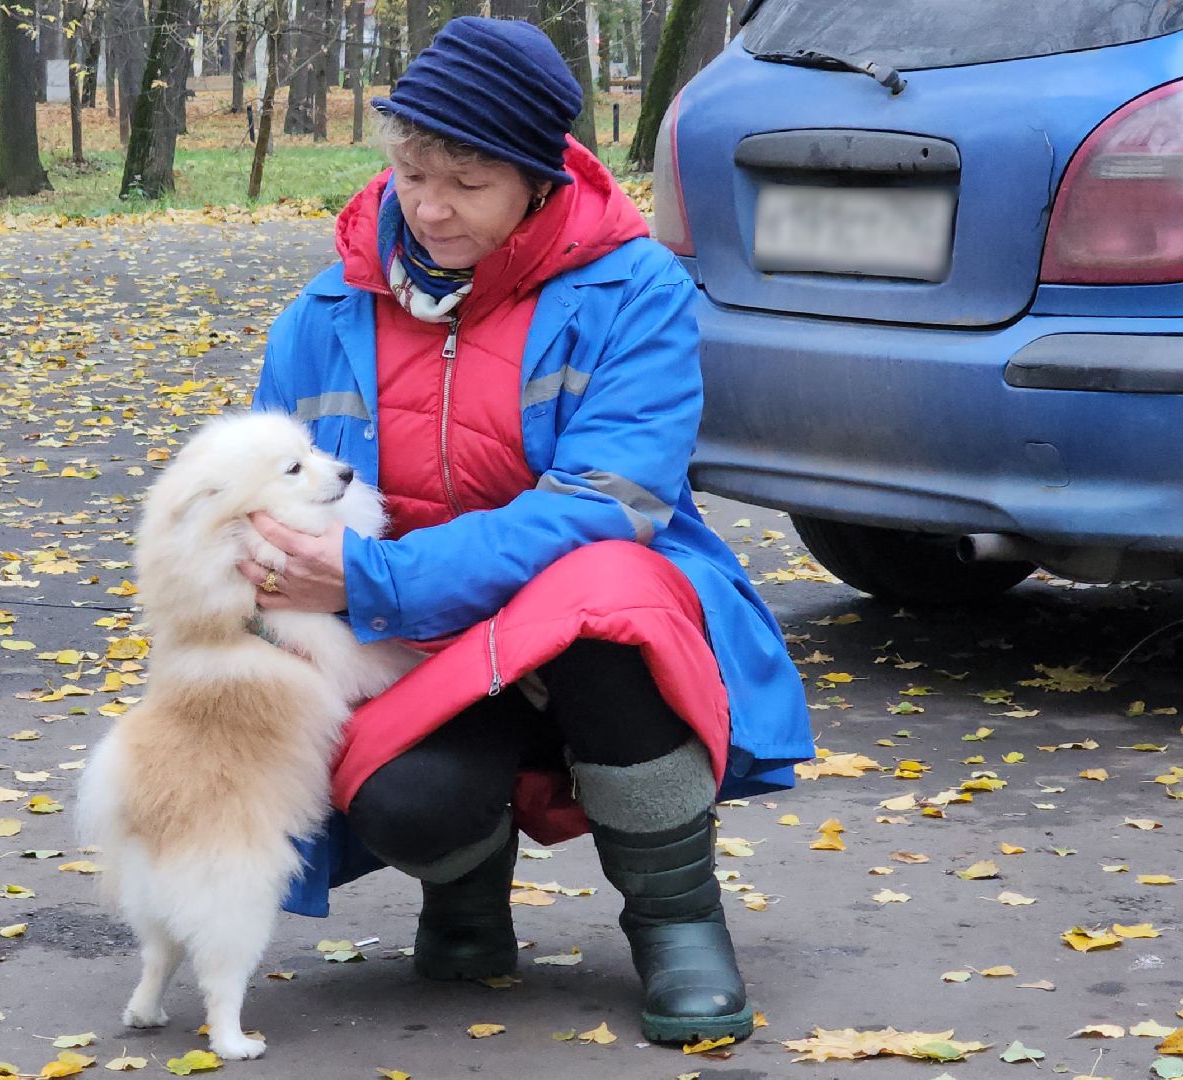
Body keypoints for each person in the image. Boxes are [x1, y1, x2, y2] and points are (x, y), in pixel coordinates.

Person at [242, 16, 813, 1045]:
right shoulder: (323, 315)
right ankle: (462, 897)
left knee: (608, 598)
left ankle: (678, 924)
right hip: (414, 642)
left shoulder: (634, 292)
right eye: (413, 172)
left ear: (539, 179)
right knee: (407, 799)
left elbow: (609, 503)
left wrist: (374, 573)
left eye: (467, 183)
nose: (429, 206)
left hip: (589, 626)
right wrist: (259, 566)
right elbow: (266, 495)